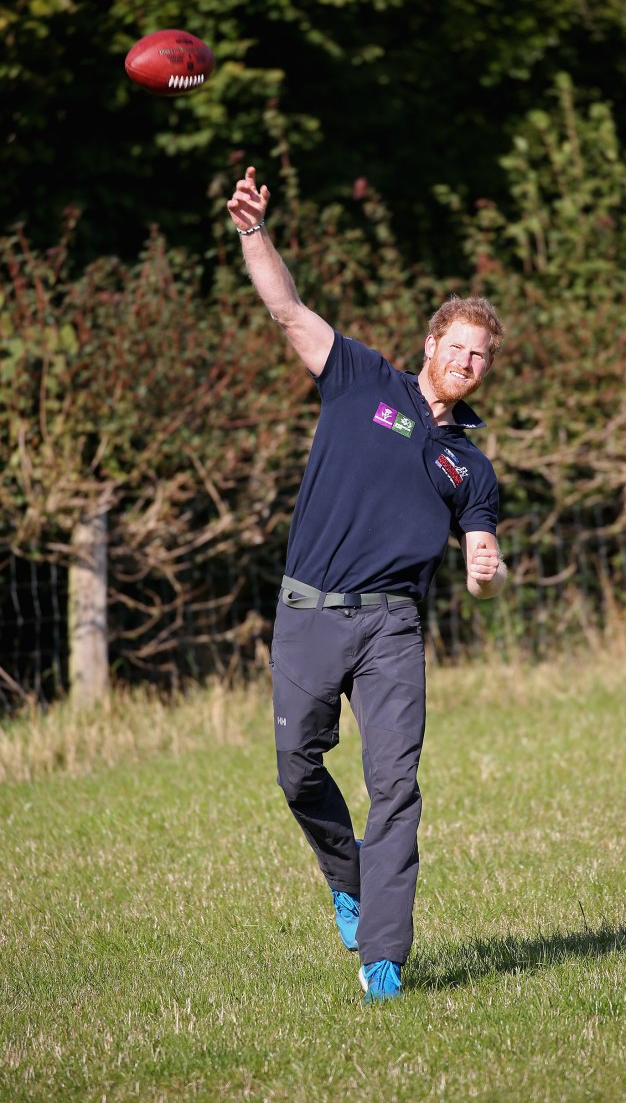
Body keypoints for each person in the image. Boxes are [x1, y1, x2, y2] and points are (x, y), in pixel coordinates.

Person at [227, 166, 507, 1003]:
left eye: (480, 356)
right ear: (429, 345)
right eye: (456, 346)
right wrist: (251, 231)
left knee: (396, 785)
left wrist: (484, 565)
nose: (466, 361)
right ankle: (346, 877)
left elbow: (482, 549)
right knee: (295, 768)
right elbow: (287, 309)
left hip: (392, 630)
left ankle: (382, 954)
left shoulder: (472, 465)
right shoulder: (358, 379)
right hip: (309, 611)